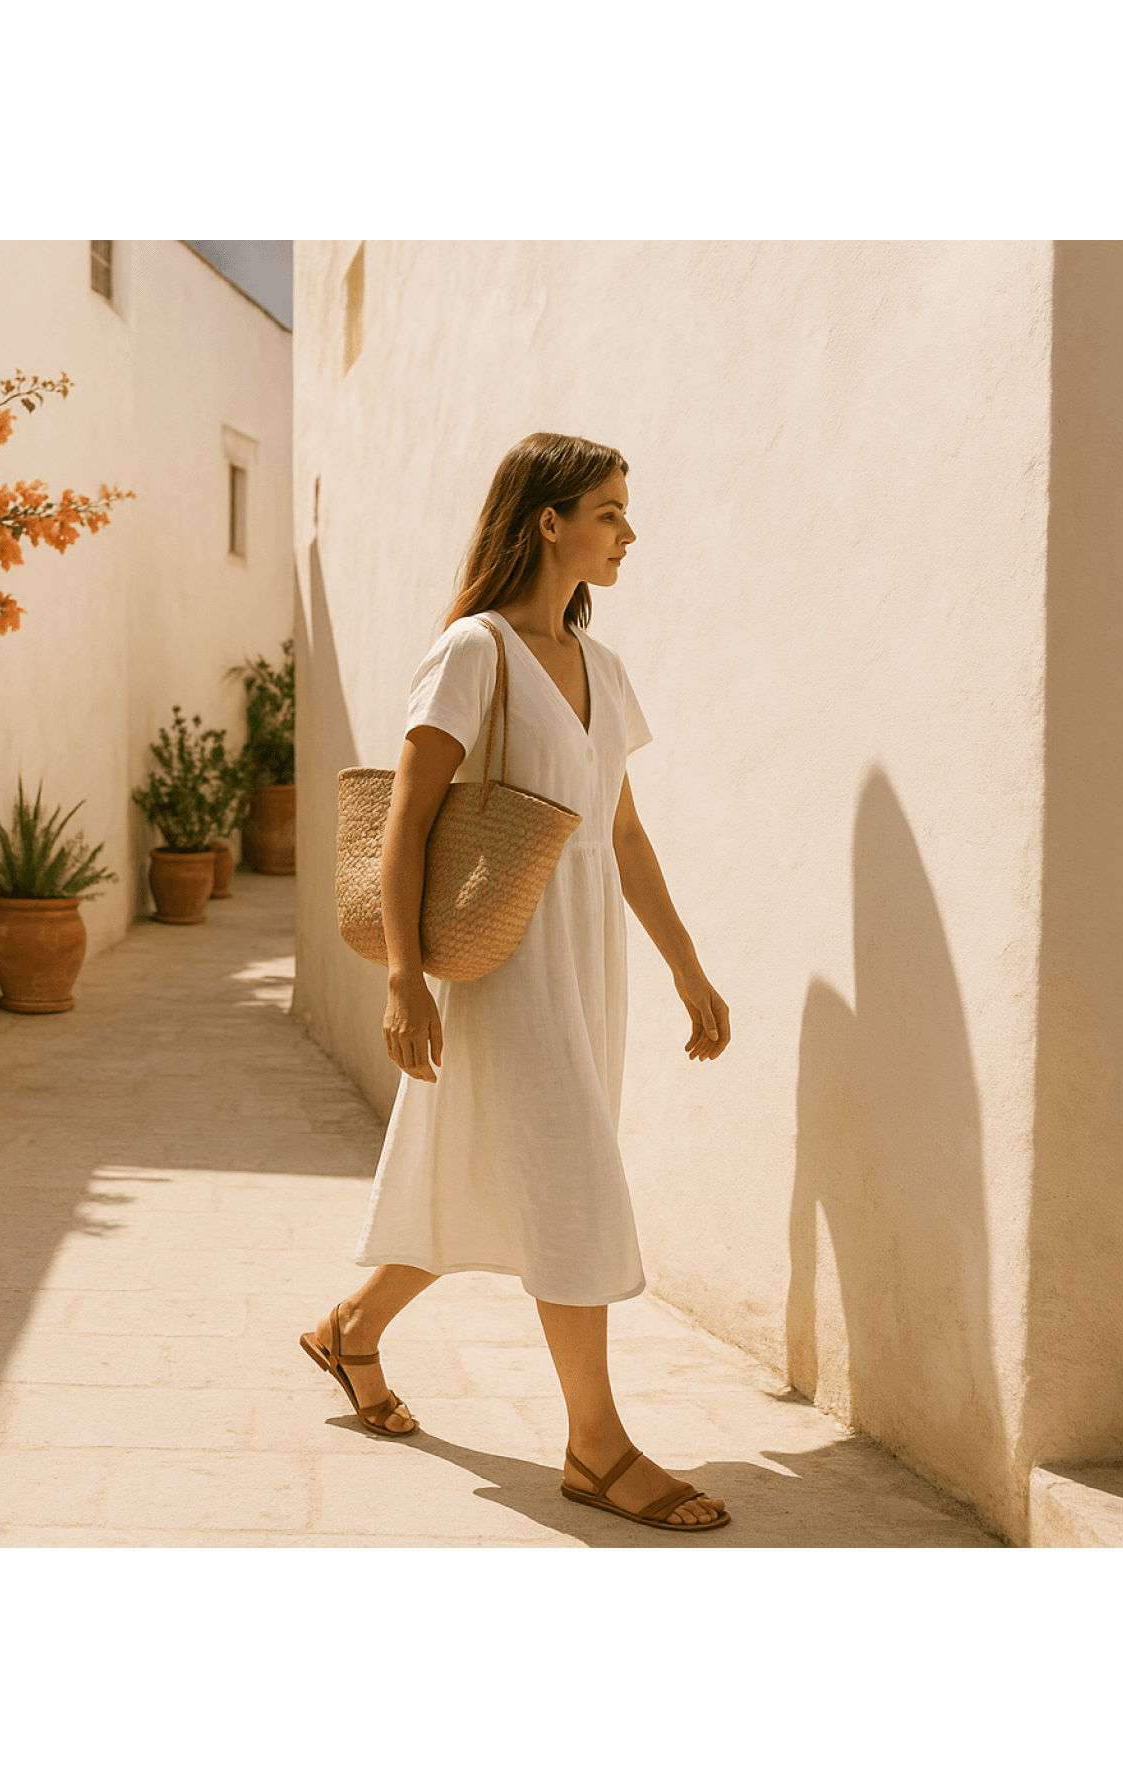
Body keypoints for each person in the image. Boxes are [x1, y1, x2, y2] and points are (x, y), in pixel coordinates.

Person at [299, 432, 733, 1533]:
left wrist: (687, 966)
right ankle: (596, 1447)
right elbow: (406, 822)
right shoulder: (474, 650)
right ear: (550, 521)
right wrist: (403, 979)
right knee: (571, 1176)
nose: (629, 532)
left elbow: (622, 835)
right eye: (610, 511)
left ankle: (351, 1330)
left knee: (493, 1171)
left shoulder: (604, 667)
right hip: (508, 963)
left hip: (588, 961)